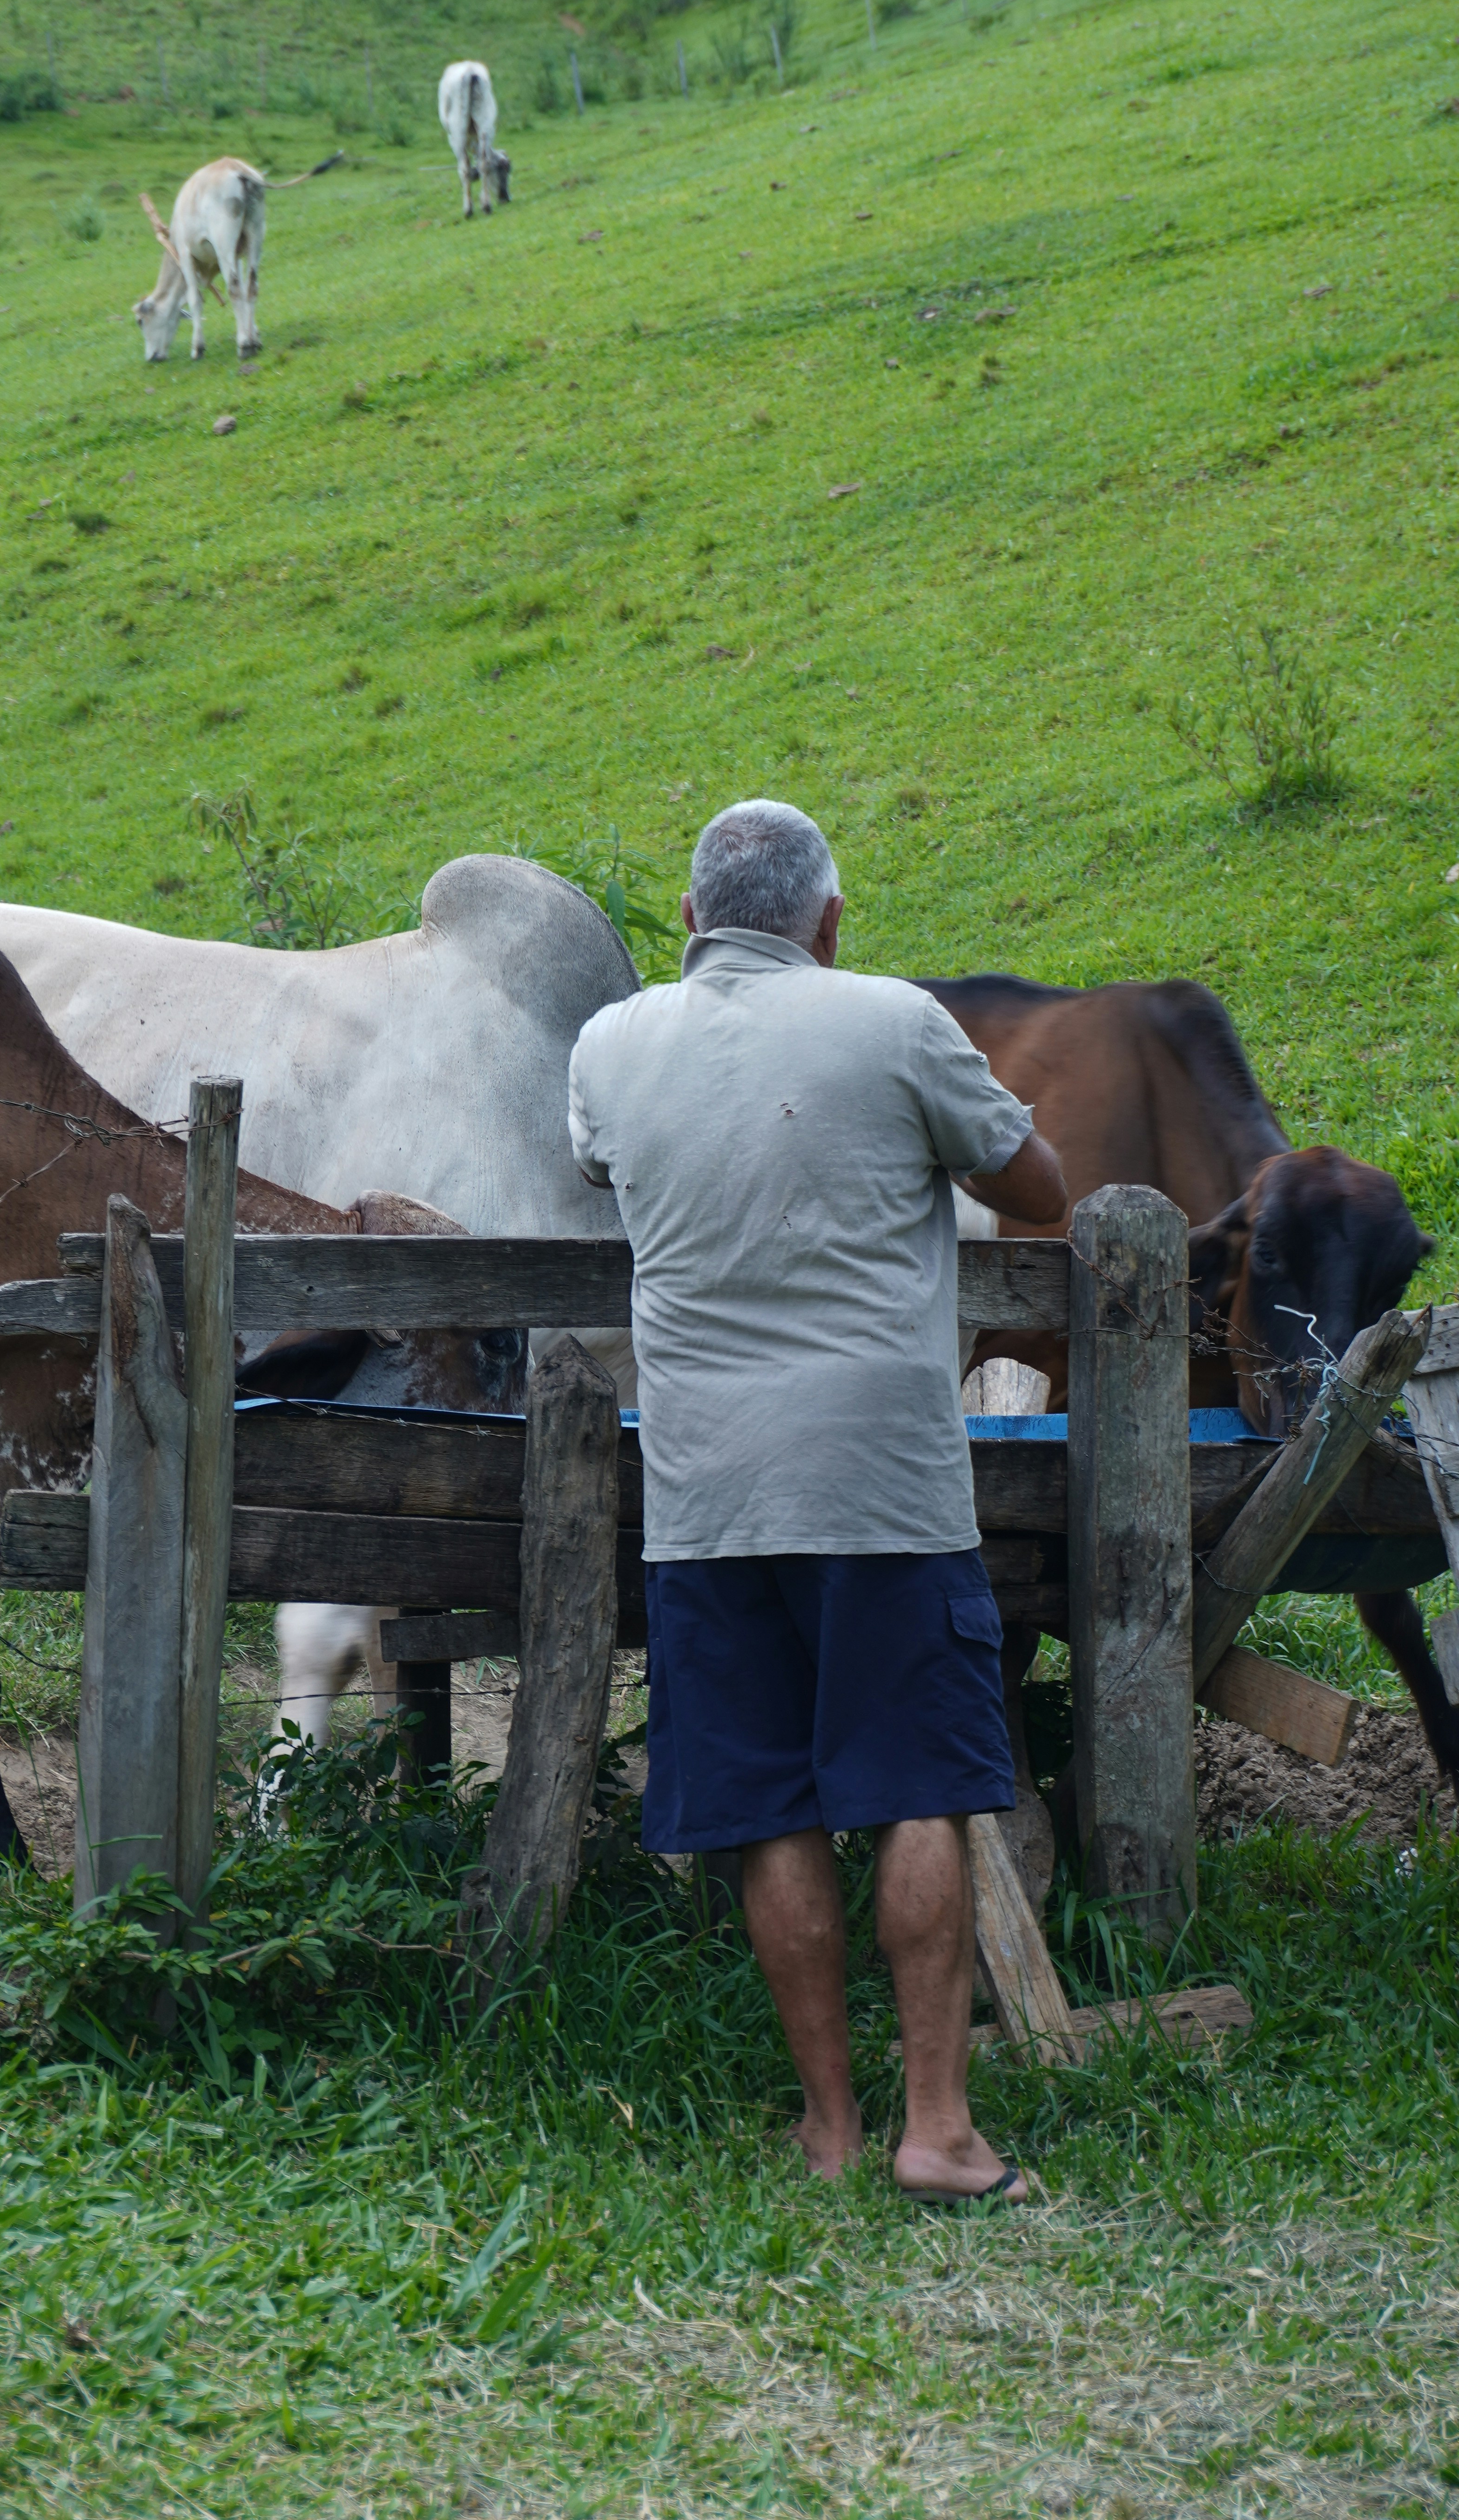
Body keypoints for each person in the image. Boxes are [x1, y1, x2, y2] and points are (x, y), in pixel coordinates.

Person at [568, 799, 1067, 2200]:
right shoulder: (894, 1022)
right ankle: (940, 2129)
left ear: (686, 923)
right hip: (884, 1483)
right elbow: (1037, 1185)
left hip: (709, 1492)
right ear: (831, 922)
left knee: (768, 1804)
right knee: (920, 1789)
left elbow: (598, 1158)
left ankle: (833, 2130)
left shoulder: (612, 1044)